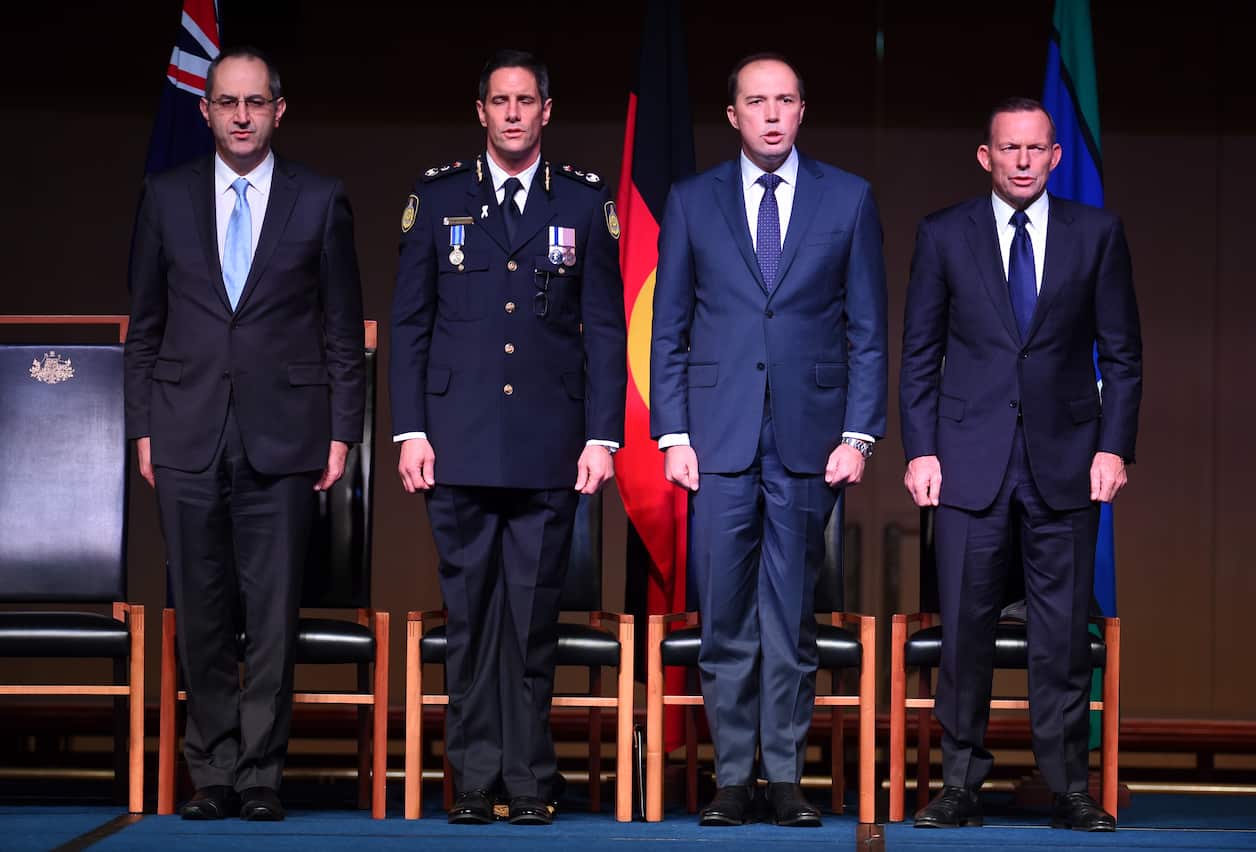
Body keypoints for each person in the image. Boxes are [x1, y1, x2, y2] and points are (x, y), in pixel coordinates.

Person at [124, 47, 366, 822]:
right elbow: (145, 327)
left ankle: (260, 774)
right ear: (204, 110)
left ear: (277, 110)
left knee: (270, 614)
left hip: (287, 434)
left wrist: (342, 434)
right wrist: (141, 429)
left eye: (254, 102)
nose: (239, 115)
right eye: (226, 102)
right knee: (198, 609)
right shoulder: (164, 197)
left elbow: (339, 331)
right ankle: (213, 772)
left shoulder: (321, 198)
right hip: (186, 428)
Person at [649, 52, 888, 827]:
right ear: (734, 116)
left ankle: (783, 776)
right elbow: (671, 327)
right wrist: (672, 432)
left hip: (809, 442)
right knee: (722, 617)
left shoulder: (848, 199)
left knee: (790, 618)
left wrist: (859, 433)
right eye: (758, 102)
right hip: (715, 440)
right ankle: (728, 778)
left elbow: (867, 328)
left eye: (785, 100)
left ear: (802, 109)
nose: (773, 114)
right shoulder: (691, 200)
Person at [390, 49, 626, 826]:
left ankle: (528, 782)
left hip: (550, 446)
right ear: (481, 111)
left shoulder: (586, 205)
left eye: (528, 100)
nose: (515, 112)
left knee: (530, 622)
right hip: (456, 442)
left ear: (547, 111)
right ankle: (474, 777)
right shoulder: (438, 198)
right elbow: (412, 324)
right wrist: (410, 430)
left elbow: (605, 331)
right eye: (501, 100)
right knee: (470, 619)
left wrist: (602, 438)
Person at [899, 97, 1141, 832]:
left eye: (1037, 148)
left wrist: (1114, 445)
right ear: (987, 156)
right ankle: (961, 783)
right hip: (968, 463)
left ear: (1056, 155)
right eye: (1010, 149)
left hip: (1066, 463)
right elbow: (917, 355)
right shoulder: (943, 234)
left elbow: (1124, 356)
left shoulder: (1096, 234)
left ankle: (1068, 786)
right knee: (965, 633)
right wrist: (920, 449)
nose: (1024, 160)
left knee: (1062, 635)